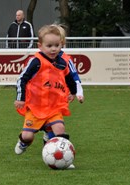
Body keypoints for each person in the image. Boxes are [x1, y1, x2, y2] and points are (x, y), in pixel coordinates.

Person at [14, 24, 76, 167]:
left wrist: (72, 92)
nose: (53, 49)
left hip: (54, 107)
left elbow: (69, 78)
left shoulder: (62, 63)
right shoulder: (36, 61)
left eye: (57, 45)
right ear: (40, 46)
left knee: (60, 129)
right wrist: (20, 98)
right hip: (35, 107)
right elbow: (21, 79)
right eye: (49, 45)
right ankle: (23, 143)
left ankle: (65, 157)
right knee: (28, 136)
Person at [42, 24, 84, 145]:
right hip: (43, 95)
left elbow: (74, 77)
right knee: (45, 119)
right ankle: (47, 132)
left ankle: (55, 145)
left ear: (62, 42)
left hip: (60, 95)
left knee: (56, 119)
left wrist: (77, 92)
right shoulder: (41, 57)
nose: (53, 47)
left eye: (56, 43)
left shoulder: (66, 59)